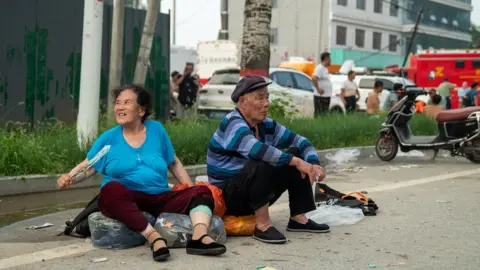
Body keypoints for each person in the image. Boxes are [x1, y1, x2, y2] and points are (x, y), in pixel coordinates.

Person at [57, 84, 226, 262]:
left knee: (201, 192)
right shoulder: (109, 138)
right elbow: (89, 166)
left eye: (126, 102)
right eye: (117, 103)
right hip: (126, 197)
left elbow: (173, 162)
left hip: (159, 195)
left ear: (141, 110)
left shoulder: (156, 130)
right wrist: (70, 178)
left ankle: (199, 238)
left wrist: (188, 188)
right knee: (110, 191)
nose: (120, 107)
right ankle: (154, 237)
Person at [207, 75, 329, 245]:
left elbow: (300, 141)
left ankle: (298, 218)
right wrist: (298, 162)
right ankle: (263, 225)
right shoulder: (232, 123)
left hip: (252, 192)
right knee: (266, 158)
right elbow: (257, 150)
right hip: (229, 197)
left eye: (267, 97)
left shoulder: (266, 125)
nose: (267, 103)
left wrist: (313, 163)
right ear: (243, 102)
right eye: (260, 98)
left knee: (295, 153)